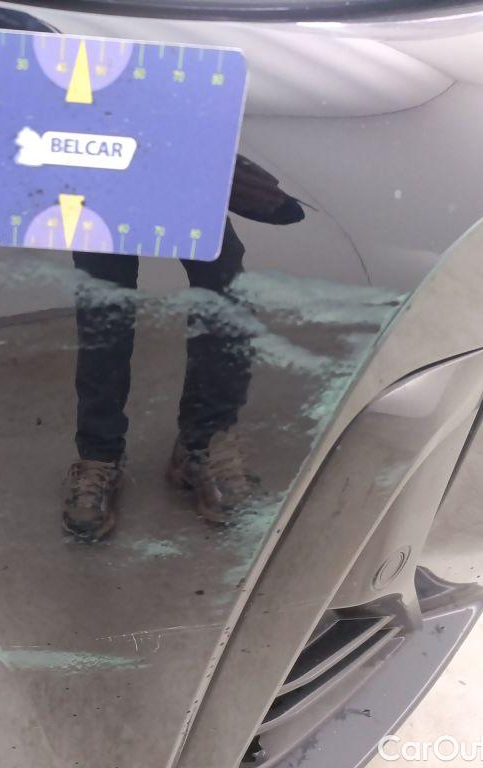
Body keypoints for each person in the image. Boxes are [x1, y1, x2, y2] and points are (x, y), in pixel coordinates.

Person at [62, 156, 306, 541]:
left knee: (222, 286)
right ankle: (99, 455)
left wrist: (216, 158)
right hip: (99, 160)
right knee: (103, 301)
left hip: (178, 154)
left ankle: (201, 447)